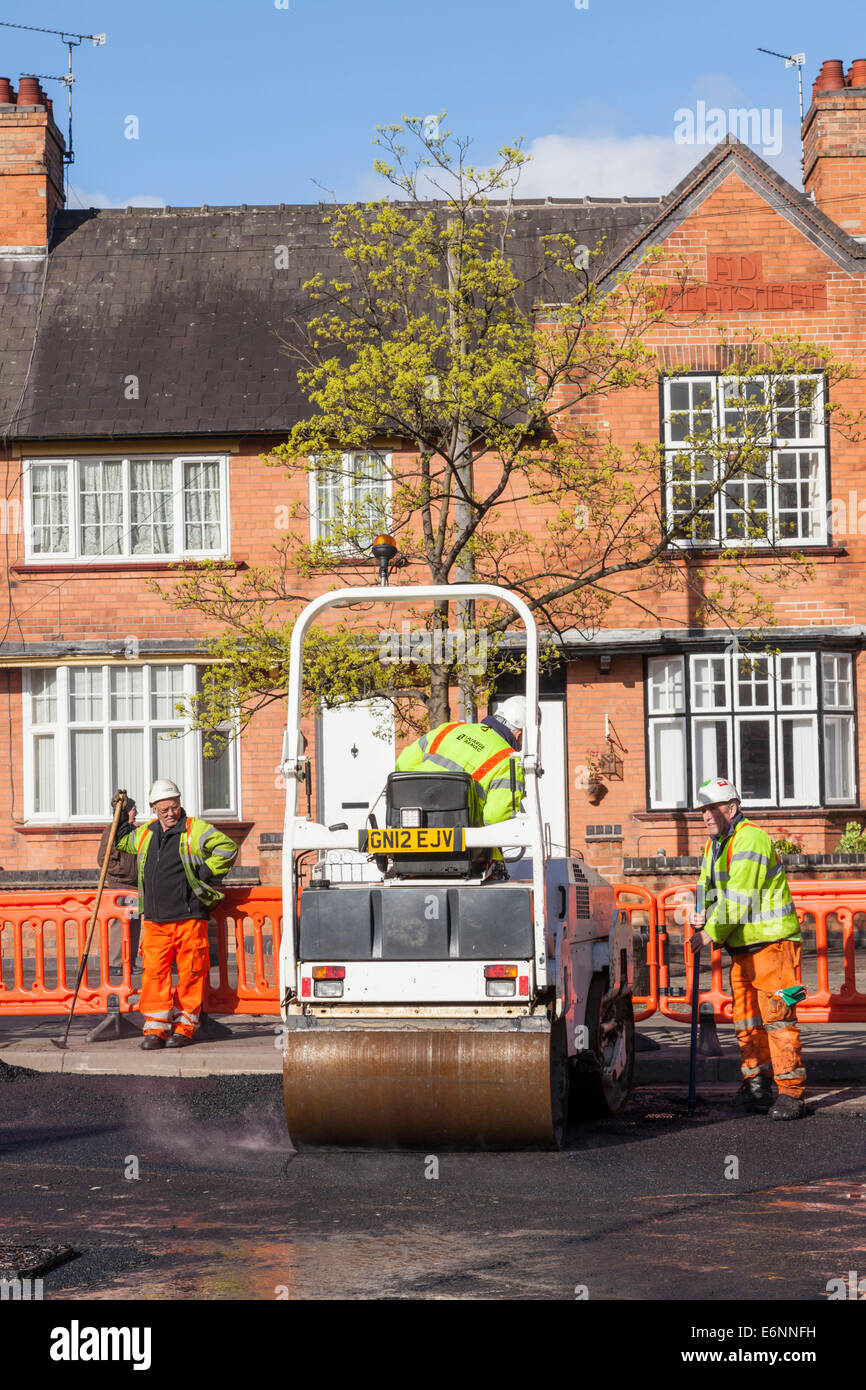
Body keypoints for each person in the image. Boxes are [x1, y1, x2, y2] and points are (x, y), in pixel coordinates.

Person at [688, 776, 806, 1120]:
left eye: (711, 808)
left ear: (732, 808)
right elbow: (707, 887)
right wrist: (701, 909)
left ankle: (791, 1094)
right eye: (702, 810)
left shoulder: (750, 838)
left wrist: (709, 932)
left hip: (772, 945)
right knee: (747, 1022)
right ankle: (756, 1085)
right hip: (743, 949)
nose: (706, 816)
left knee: (778, 1020)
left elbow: (739, 898)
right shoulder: (714, 846)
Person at [112, 780, 238, 1050]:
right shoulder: (146, 833)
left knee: (191, 973)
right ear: (154, 809)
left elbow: (227, 848)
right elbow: (121, 840)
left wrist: (206, 871)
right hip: (156, 920)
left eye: (175, 807)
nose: (171, 813)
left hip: (190, 916)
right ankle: (156, 1029)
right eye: (165, 809)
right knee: (154, 974)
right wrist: (121, 815)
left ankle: (184, 1028)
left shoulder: (195, 829)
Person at [395, 695, 528, 828]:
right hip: (461, 839)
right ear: (520, 735)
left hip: (413, 824)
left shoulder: (450, 728)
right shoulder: (509, 760)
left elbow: (403, 764)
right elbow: (496, 818)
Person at [98, 799, 140, 973]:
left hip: (134, 887)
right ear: (126, 811)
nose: (136, 812)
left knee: (133, 924)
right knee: (119, 924)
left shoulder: (134, 831)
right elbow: (103, 859)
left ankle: (129, 963)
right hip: (120, 886)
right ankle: (116, 964)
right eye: (133, 809)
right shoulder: (112, 831)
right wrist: (125, 872)